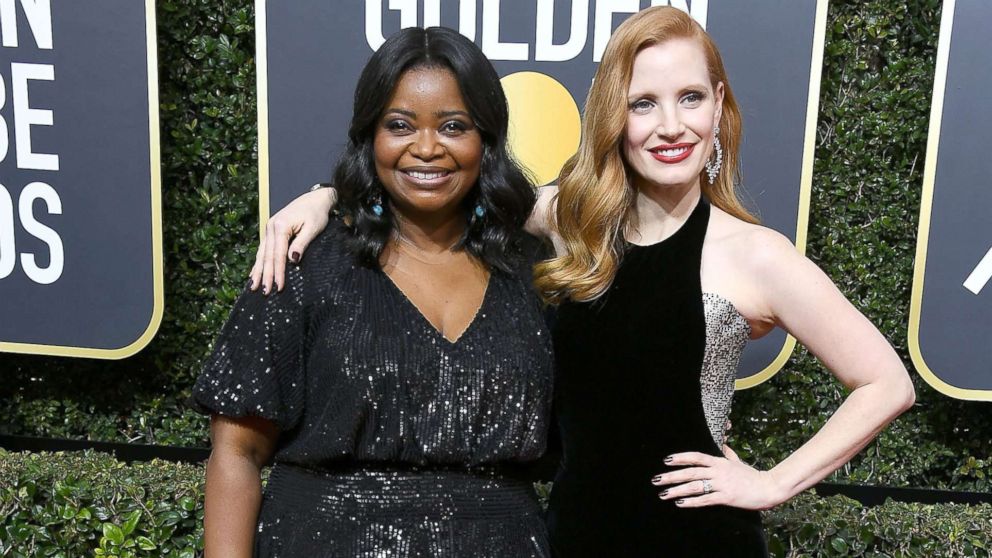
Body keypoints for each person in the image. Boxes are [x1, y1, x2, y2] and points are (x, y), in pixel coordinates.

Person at [250, 7, 915, 557]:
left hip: (696, 540)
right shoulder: (570, 222)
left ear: (719, 103)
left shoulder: (755, 256)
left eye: (690, 98)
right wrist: (325, 195)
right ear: (614, 118)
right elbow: (437, 182)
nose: (671, 125)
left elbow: (886, 383)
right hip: (574, 537)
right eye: (644, 104)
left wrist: (771, 483)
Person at [192, 26, 555, 557]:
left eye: (454, 126)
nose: (426, 148)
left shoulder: (535, 273)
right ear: (371, 137)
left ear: (486, 139)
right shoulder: (304, 261)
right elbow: (236, 451)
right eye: (399, 125)